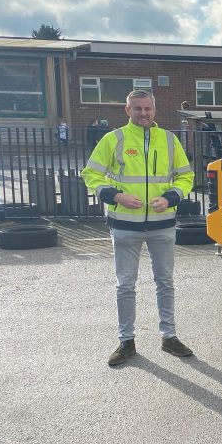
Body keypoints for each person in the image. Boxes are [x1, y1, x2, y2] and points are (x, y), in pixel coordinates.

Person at [82, 91, 195, 367]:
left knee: (165, 282)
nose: (143, 113)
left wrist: (170, 198)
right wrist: (116, 196)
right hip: (124, 226)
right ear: (127, 110)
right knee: (125, 285)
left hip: (162, 224)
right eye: (137, 109)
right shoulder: (114, 139)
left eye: (147, 109)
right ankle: (126, 341)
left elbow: (186, 176)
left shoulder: (169, 140)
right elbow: (91, 174)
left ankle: (169, 337)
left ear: (154, 110)